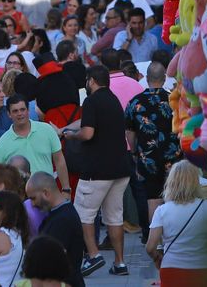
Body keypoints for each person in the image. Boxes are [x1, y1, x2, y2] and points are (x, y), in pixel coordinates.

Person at [67, 64, 134, 277]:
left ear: (92, 81)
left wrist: (72, 136)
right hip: (120, 169)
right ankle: (120, 263)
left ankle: (94, 255)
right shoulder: (114, 100)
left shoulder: (91, 101)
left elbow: (87, 133)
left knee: (83, 214)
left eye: (87, 81)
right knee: (115, 217)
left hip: (97, 170)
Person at [125, 60, 180, 244]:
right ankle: (174, 238)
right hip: (173, 157)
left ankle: (154, 241)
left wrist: (134, 152)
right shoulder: (174, 100)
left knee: (152, 199)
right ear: (164, 78)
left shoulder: (135, 103)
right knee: (174, 197)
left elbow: (130, 133)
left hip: (147, 158)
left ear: (147, 78)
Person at [147, 160, 207, 287]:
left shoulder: (162, 211)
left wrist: (157, 258)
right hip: (203, 267)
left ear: (171, 182)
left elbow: (150, 247)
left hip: (171, 268)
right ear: (196, 182)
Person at [0, 94, 70, 183]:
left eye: (22, 109)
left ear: (28, 110)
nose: (19, 114)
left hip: (47, 189)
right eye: (15, 111)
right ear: (9, 114)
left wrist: (66, 188)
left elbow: (59, 161)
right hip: (19, 191)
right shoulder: (3, 142)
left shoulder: (47, 129)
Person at [26, 172, 88, 287]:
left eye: (33, 198)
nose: (32, 204)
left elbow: (49, 261)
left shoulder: (63, 220)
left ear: (46, 193)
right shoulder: (58, 214)